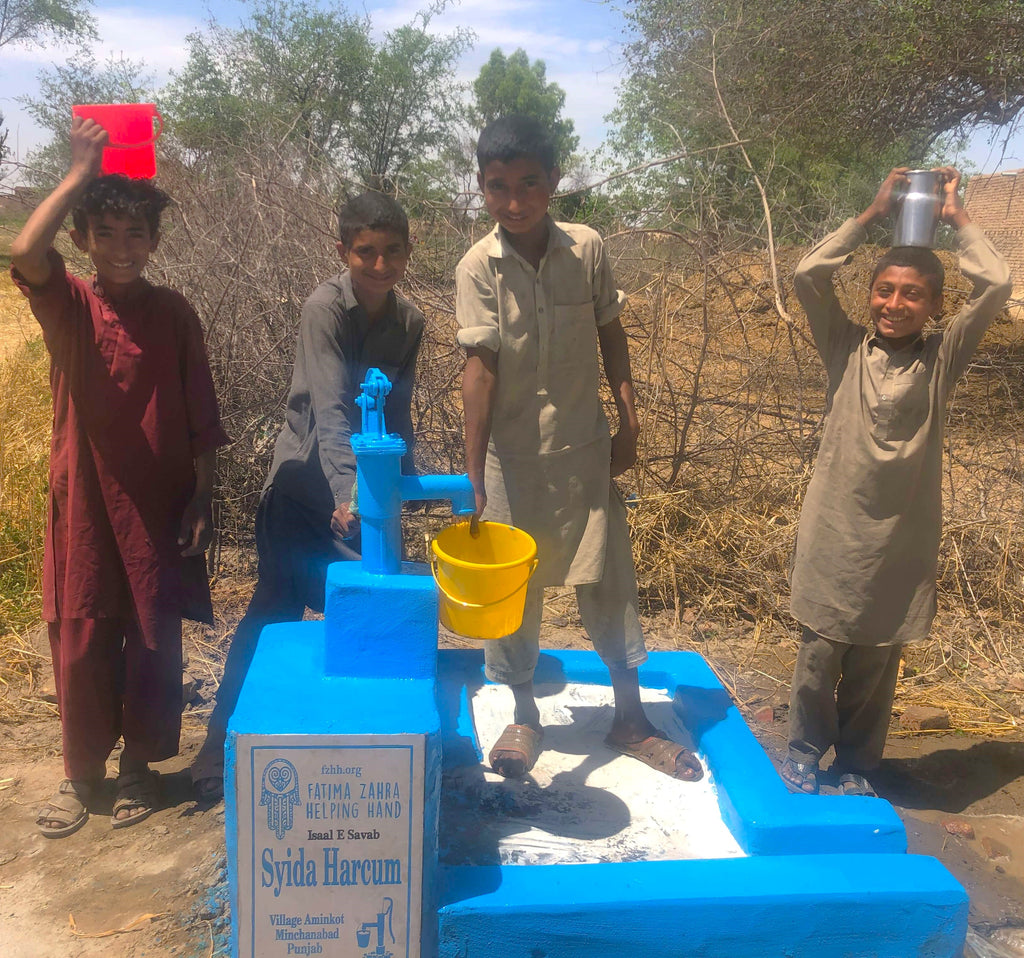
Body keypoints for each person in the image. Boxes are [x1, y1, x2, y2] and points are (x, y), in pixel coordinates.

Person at [455, 114, 703, 782]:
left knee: (610, 582)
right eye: (498, 186)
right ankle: (524, 715)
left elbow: (611, 335)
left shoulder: (586, 248)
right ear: (481, 187)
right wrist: (473, 474)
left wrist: (630, 423)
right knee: (512, 594)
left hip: (584, 450)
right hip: (511, 461)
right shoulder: (477, 267)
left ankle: (631, 719)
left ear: (554, 180)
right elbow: (479, 372)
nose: (514, 201)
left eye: (528, 183)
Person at [9, 116, 230, 837]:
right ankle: (81, 776)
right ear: (82, 241)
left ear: (155, 242)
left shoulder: (173, 312)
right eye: (105, 233)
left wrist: (202, 496)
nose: (122, 248)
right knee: (80, 638)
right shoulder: (71, 304)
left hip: (157, 507)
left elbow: (200, 412)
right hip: (83, 504)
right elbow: (23, 251)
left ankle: (138, 766)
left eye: (137, 234)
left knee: (152, 639)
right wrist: (78, 173)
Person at [783, 167, 1012, 797]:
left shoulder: (942, 359)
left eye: (913, 294)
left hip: (900, 540)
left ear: (936, 306)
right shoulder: (846, 348)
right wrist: (870, 215)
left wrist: (957, 219)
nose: (895, 304)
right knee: (819, 652)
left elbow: (997, 282)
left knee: (878, 658)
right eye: (884, 290)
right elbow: (807, 275)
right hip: (835, 531)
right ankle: (803, 751)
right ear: (869, 296)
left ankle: (858, 763)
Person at [190, 191, 423, 801]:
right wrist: (348, 493)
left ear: (408, 251)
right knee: (273, 608)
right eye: (365, 252)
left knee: (373, 604)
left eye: (392, 251)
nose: (379, 265)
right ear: (342, 250)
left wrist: (404, 483)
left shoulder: (410, 323)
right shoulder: (325, 308)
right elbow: (331, 408)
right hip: (302, 485)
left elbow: (397, 411)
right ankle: (219, 742)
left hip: (361, 493)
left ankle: (358, 750)